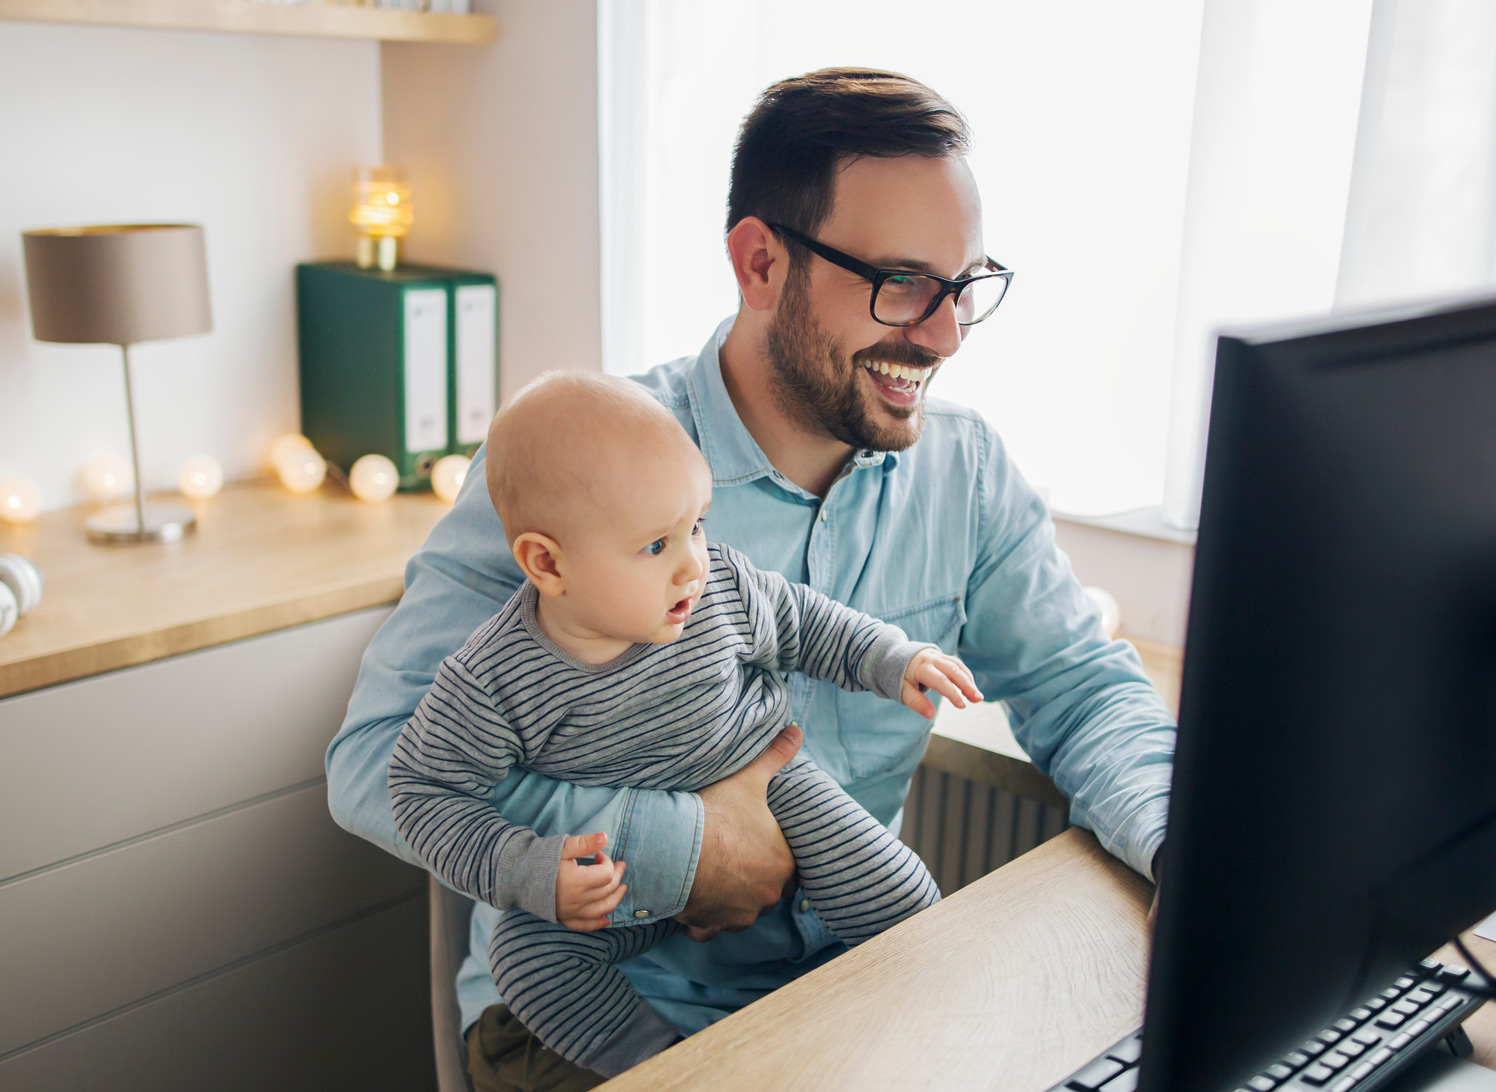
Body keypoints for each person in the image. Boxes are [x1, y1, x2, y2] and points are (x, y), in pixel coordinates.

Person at [328, 67, 1176, 1092]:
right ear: (760, 260)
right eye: (901, 283)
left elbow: (1081, 689)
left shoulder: (966, 471)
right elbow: (376, 762)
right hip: (597, 1016)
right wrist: (683, 849)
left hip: (851, 986)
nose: (943, 335)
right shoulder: (569, 477)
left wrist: (1179, 850)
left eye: (962, 288)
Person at [389, 372, 981, 1077]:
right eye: (654, 547)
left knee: (903, 899)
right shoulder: (493, 679)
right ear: (547, 563)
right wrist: (529, 869)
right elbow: (421, 793)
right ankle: (658, 1064)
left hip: (773, 788)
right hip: (625, 869)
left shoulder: (718, 589)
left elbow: (805, 625)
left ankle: (941, 1039)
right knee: (526, 960)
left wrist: (894, 657)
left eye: (696, 526)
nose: (693, 567)